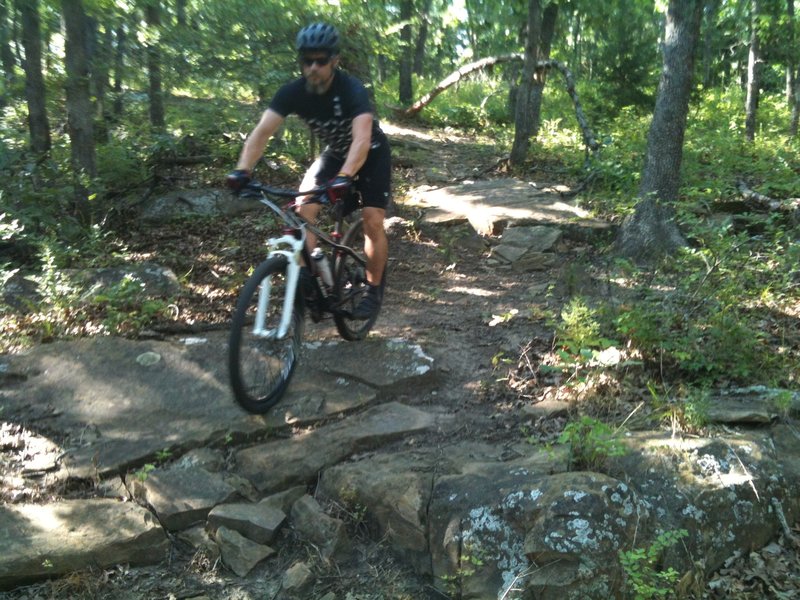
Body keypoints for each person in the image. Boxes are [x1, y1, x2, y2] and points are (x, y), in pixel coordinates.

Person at [226, 22, 391, 321]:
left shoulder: (351, 89)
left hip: (371, 154)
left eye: (321, 60)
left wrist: (345, 176)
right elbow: (262, 133)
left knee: (372, 220)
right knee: (302, 209)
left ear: (334, 61)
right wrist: (242, 170)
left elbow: (363, 138)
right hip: (336, 155)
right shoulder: (292, 92)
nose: (313, 67)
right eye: (307, 61)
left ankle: (373, 289)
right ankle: (311, 276)